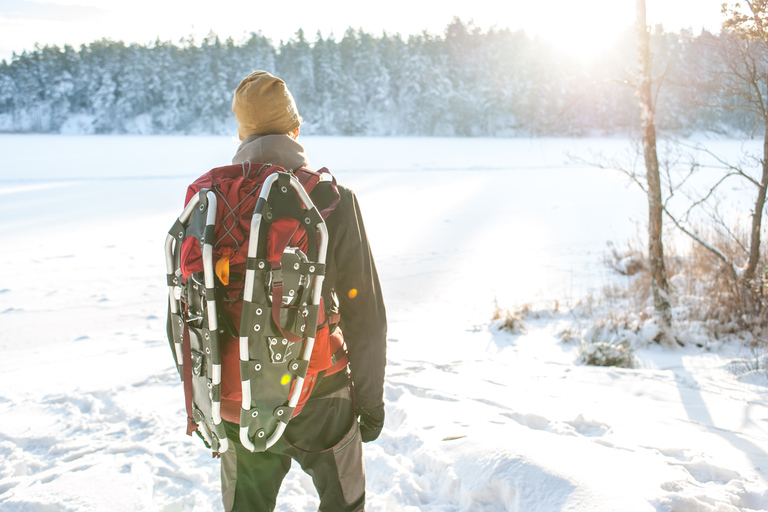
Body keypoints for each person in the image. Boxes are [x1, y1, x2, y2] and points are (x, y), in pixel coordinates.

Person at [218, 70, 387, 512]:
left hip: (241, 395)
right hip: (321, 394)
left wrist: (208, 402)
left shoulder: (213, 203)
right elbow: (363, 313)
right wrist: (369, 405)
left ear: (241, 132)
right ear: (296, 127)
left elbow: (186, 304)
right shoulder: (330, 197)